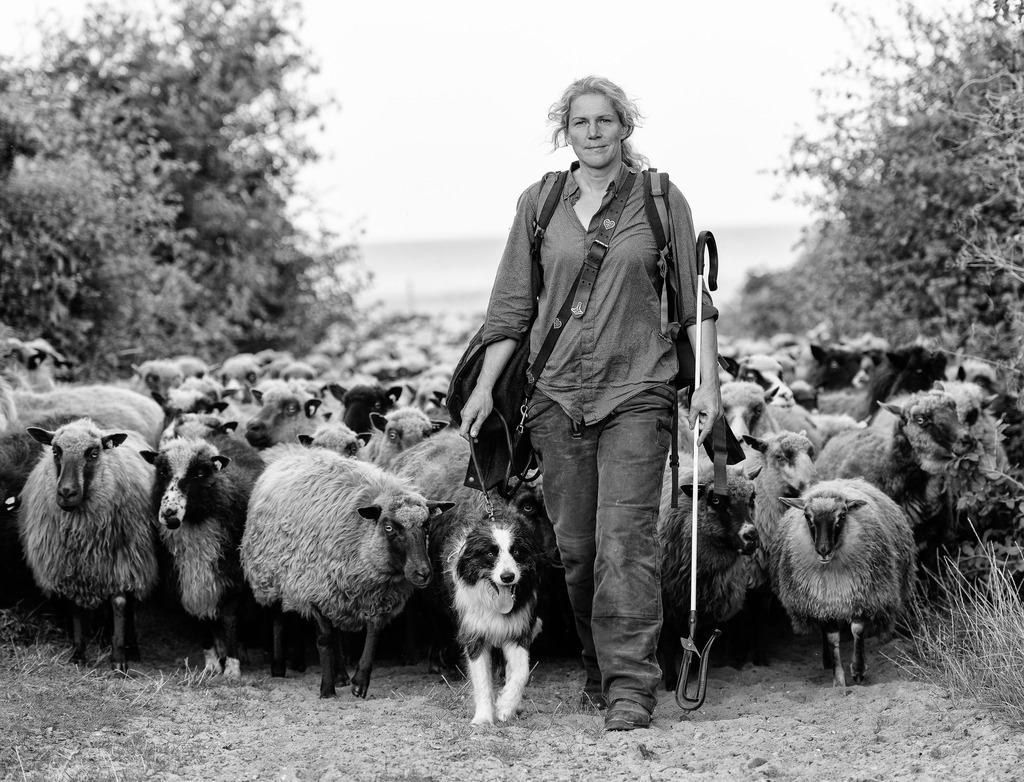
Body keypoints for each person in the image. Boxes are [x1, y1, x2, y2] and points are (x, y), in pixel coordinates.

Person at [457, 75, 722, 732]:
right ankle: (598, 665)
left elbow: (694, 305)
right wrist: (487, 386)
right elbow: (513, 306)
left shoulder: (660, 199)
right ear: (566, 132)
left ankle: (631, 685)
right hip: (555, 398)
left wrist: (708, 386)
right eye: (582, 122)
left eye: (607, 120)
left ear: (624, 127)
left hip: (638, 390)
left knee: (624, 545)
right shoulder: (540, 203)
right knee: (574, 550)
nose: (595, 132)